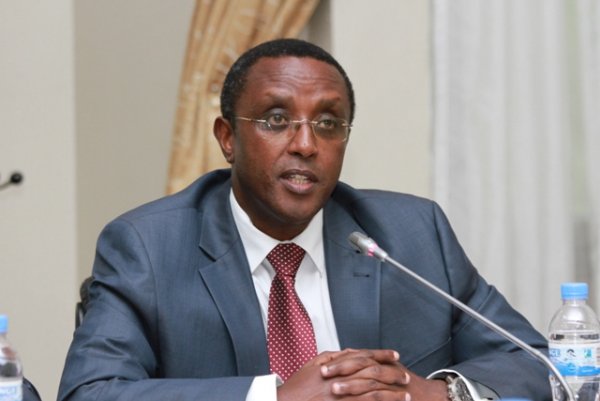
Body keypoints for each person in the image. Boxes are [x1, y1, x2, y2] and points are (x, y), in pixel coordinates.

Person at [58, 38, 552, 401]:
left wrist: (440, 394)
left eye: (328, 123)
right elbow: (90, 392)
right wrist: (273, 398)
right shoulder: (147, 246)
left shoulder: (412, 234)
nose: (306, 144)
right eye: (276, 120)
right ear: (228, 138)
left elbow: (539, 364)